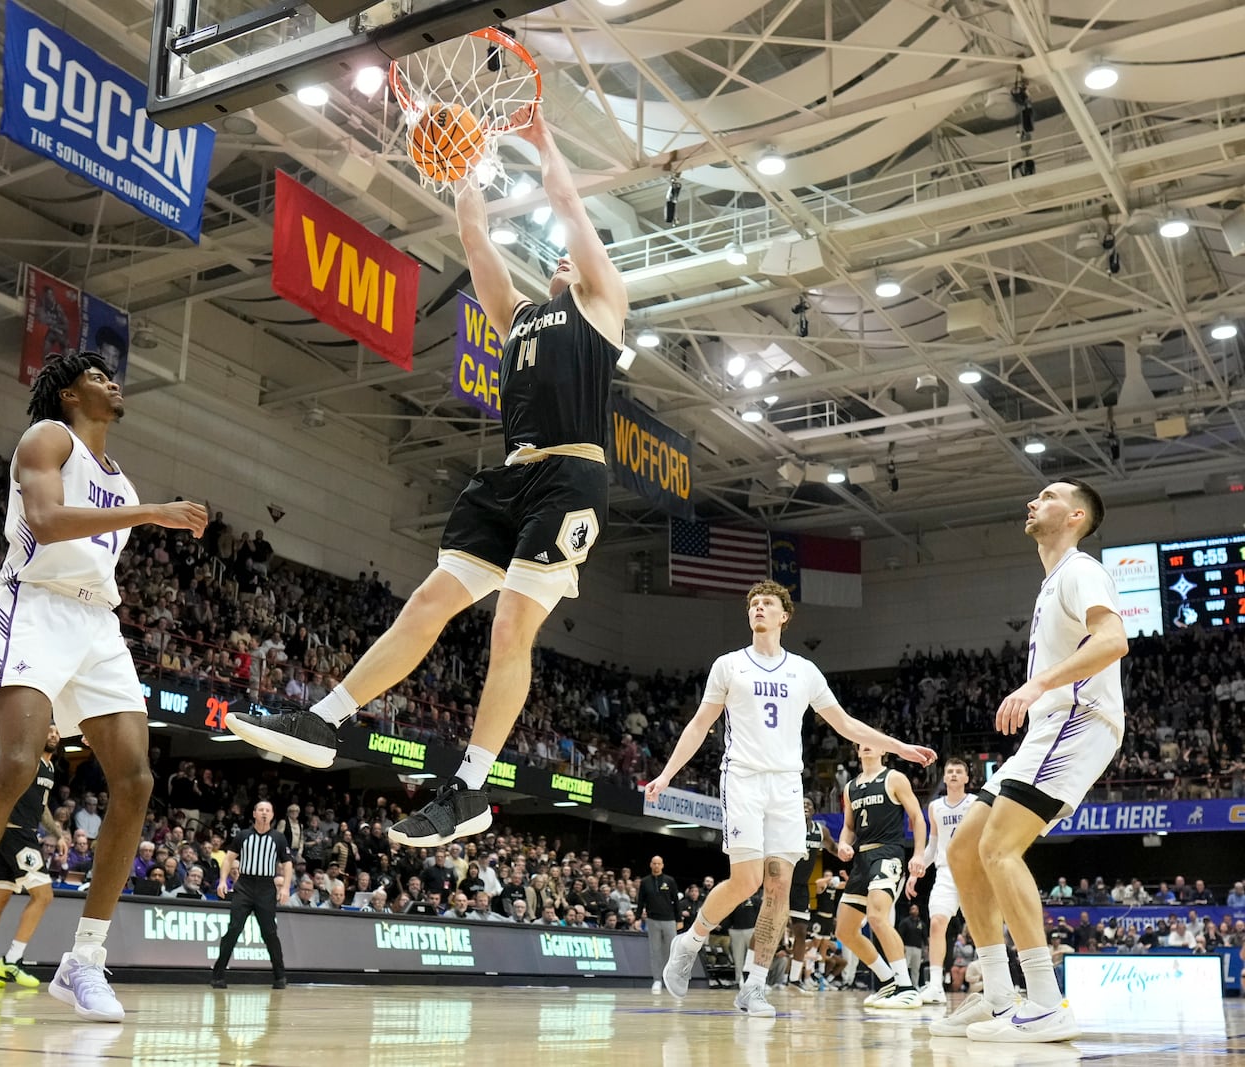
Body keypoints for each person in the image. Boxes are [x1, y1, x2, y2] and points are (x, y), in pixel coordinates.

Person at [226, 103, 628, 849]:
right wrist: (464, 169)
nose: (565, 257)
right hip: (508, 481)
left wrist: (544, 142)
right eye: (562, 257)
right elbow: (474, 240)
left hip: (571, 479)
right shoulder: (517, 319)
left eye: (575, 256)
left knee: (511, 623)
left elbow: (569, 207)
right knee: (429, 600)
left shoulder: (602, 307)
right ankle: (325, 718)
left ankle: (470, 788)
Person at [0, 350, 206, 1021]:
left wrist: (139, 508)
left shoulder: (119, 480)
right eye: (98, 376)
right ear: (69, 393)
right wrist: (153, 513)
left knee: (136, 781)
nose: (112, 381)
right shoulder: (48, 438)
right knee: (16, 761)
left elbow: (96, 545)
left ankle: (83, 960)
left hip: (96, 621)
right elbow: (42, 523)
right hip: (35, 604)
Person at [649, 580, 936, 1016]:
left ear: (784, 616)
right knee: (746, 880)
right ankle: (690, 942)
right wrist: (669, 773)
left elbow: (846, 724)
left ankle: (755, 986)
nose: (759, 609)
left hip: (786, 785)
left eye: (767, 604)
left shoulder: (804, 671)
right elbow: (698, 724)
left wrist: (898, 747)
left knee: (780, 884)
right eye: (753, 604)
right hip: (743, 778)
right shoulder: (728, 666)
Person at [935, 480, 1126, 1044]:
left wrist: (1036, 683)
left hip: (1078, 718)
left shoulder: (1080, 569)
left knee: (998, 848)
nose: (1030, 502)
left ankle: (1045, 1000)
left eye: (1045, 496)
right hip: (1048, 724)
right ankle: (999, 998)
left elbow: (1113, 639)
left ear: (1073, 515)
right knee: (963, 848)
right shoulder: (1051, 583)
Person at [0, 725, 66, 989]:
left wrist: (58, 834)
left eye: (56, 732)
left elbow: (41, 808)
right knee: (44, 896)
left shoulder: (49, 769)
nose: (52, 734)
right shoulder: (27, 762)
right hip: (15, 835)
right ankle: (12, 960)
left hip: (23, 834)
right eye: (48, 730)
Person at [833, 741, 929, 1010]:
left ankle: (907, 986)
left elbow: (917, 818)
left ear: (883, 749)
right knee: (845, 930)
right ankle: (887, 981)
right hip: (861, 859)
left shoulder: (894, 778)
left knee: (876, 916)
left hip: (887, 853)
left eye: (871, 743)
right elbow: (848, 827)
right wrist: (843, 843)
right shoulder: (850, 787)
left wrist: (919, 854)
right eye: (860, 744)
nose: (865, 746)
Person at [911, 757, 977, 1003]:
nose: (953, 774)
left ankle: (996, 983)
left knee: (981, 930)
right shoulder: (935, 807)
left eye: (959, 771)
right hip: (946, 872)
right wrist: (916, 871)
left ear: (966, 778)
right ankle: (936, 986)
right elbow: (933, 845)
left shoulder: (975, 803)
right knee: (937, 922)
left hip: (972, 872)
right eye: (949, 771)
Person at [211, 801, 293, 989]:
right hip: (245, 886)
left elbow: (287, 864)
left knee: (270, 933)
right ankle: (218, 975)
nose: (264, 813)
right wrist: (223, 881)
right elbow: (229, 859)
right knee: (234, 929)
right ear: (255, 813)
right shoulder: (243, 835)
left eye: (268, 810)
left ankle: (280, 976)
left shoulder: (279, 838)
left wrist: (286, 888)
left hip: (266, 888)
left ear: (272, 815)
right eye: (261, 810)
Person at [785, 798, 838, 991]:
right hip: (783, 884)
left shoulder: (820, 831)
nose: (805, 806)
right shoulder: (787, 826)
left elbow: (833, 848)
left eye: (809, 804)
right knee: (768, 929)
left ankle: (794, 981)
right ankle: (750, 974)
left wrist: (850, 852)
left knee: (801, 933)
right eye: (801, 804)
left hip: (801, 888)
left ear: (814, 810)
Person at [636, 855, 680, 994]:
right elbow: (640, 901)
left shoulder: (669, 881)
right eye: (654, 863)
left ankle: (671, 979)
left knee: (671, 951)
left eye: (658, 863)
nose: (656, 866)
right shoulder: (645, 882)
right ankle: (657, 980)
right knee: (655, 951)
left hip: (669, 920)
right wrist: (637, 918)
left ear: (662, 865)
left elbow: (676, 901)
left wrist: (679, 920)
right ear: (650, 865)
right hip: (653, 920)